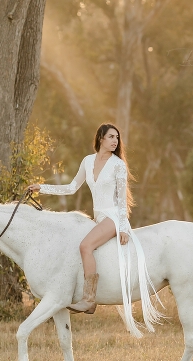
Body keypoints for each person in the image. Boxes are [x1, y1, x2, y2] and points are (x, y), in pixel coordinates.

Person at [29, 124, 162, 333]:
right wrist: (41, 187)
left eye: (117, 137)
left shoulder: (118, 165)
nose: (115, 141)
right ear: (100, 138)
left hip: (113, 217)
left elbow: (121, 200)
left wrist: (123, 227)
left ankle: (89, 300)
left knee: (85, 246)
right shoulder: (88, 161)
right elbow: (72, 187)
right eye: (111, 137)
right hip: (98, 218)